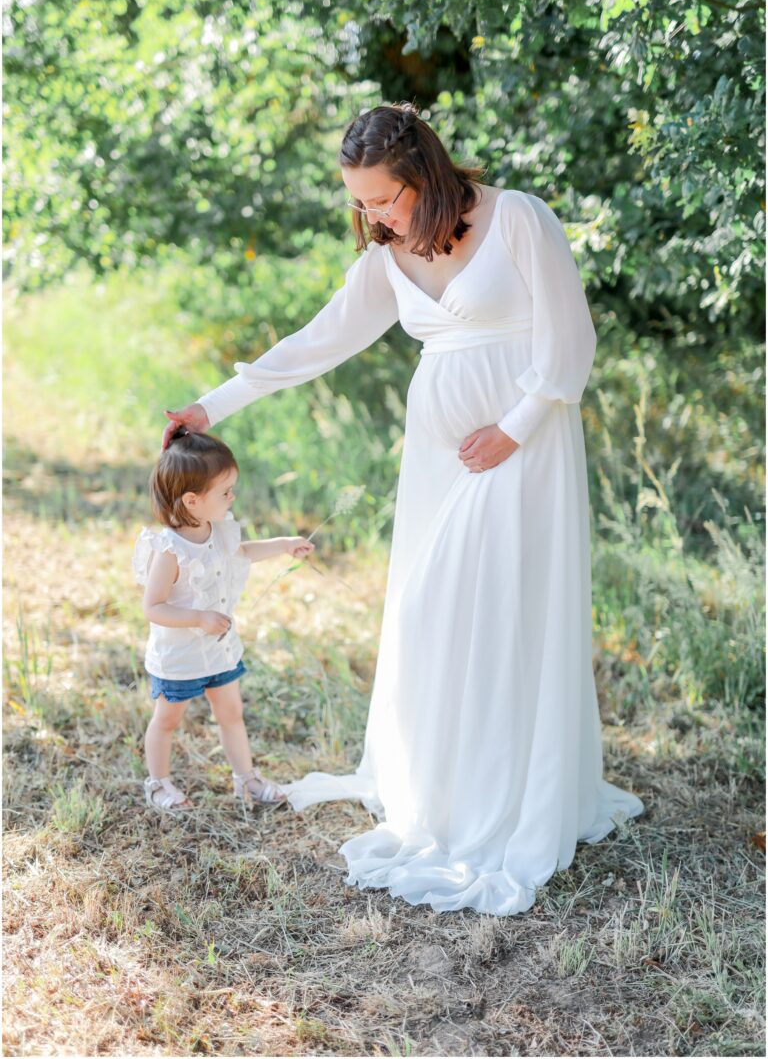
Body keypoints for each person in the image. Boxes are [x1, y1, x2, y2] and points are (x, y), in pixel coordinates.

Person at [162, 102, 644, 912]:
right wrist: (213, 406)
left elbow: (572, 343)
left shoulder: (519, 219)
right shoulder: (387, 259)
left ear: (423, 171)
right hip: (437, 460)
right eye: (363, 203)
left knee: (503, 609)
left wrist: (515, 430)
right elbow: (312, 345)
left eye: (387, 197)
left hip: (522, 446)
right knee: (432, 615)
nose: (376, 216)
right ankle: (442, 787)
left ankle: (509, 794)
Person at [134, 428, 314, 810]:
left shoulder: (220, 529)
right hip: (180, 655)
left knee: (231, 712)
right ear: (192, 500)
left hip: (219, 650)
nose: (233, 497)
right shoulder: (168, 550)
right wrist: (198, 617)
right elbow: (153, 607)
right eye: (225, 491)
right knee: (166, 719)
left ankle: (245, 779)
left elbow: (242, 551)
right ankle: (159, 784)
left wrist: (283, 545)